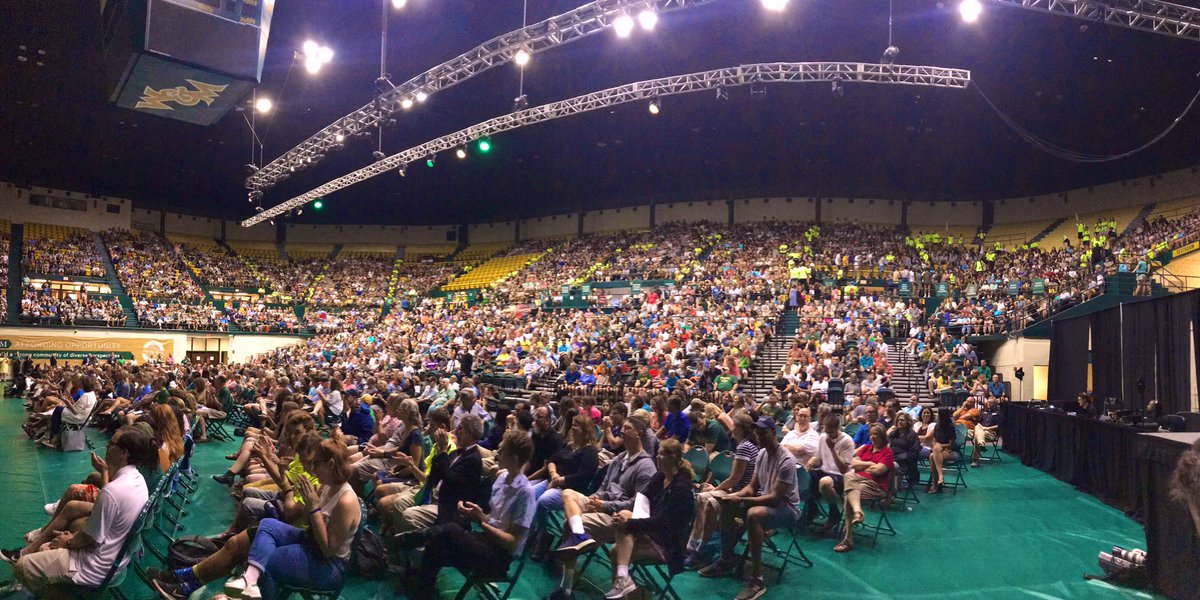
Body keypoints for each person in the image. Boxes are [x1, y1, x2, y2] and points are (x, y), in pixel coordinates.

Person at [152, 434, 361, 600]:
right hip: (309, 540)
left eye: (317, 464)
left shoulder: (346, 501)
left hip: (326, 564)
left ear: (331, 464)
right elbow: (307, 518)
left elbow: (327, 550)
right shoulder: (326, 484)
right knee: (250, 534)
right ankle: (187, 580)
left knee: (270, 560)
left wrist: (312, 507)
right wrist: (308, 503)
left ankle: (249, 589)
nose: (312, 468)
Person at [7, 426, 158, 595]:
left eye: (111, 444)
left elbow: (91, 538)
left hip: (94, 566)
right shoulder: (138, 481)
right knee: (70, 517)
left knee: (22, 566)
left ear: (124, 453)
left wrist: (68, 541)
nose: (107, 447)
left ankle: (52, 593)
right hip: (116, 558)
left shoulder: (112, 491)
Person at [394, 429, 535, 600]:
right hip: (485, 542)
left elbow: (512, 543)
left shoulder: (525, 494)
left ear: (514, 459)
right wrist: (480, 514)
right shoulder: (501, 478)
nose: (497, 452)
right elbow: (494, 520)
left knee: (451, 528)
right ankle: (422, 592)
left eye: (502, 450)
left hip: (497, 558)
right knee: (436, 545)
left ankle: (413, 538)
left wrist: (482, 522)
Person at [545, 415, 657, 600]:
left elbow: (637, 505)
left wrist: (604, 505)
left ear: (639, 434)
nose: (621, 431)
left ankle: (566, 589)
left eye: (627, 428)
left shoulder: (646, 466)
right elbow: (604, 487)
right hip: (603, 506)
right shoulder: (619, 458)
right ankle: (580, 536)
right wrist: (596, 498)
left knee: (568, 525)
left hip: (620, 517)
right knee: (568, 494)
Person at [698, 417, 800, 600]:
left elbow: (776, 498)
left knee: (753, 514)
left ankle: (757, 580)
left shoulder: (786, 460)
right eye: (757, 432)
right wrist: (733, 497)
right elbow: (752, 487)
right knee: (726, 506)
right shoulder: (761, 454)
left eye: (763, 432)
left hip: (786, 508)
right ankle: (726, 559)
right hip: (763, 499)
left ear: (773, 432)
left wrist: (745, 500)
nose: (759, 435)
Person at [603, 438, 696, 600]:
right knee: (624, 518)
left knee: (616, 551)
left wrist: (633, 523)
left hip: (668, 543)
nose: (657, 457)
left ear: (673, 457)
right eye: (658, 453)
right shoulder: (659, 477)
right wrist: (628, 517)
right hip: (652, 530)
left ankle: (631, 589)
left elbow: (664, 522)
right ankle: (627, 585)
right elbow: (642, 499)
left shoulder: (682, 488)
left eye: (661, 454)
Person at [683, 413, 758, 570]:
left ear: (740, 429)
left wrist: (716, 488)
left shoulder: (745, 447)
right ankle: (693, 544)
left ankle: (701, 548)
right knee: (701, 498)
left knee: (709, 501)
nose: (731, 429)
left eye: (734, 426)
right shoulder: (742, 445)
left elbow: (734, 479)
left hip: (740, 493)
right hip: (735, 489)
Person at [834, 424, 894, 553]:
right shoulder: (866, 448)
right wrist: (870, 464)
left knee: (849, 491)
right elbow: (853, 463)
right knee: (850, 478)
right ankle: (857, 513)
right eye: (871, 434)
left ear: (883, 437)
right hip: (857, 481)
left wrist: (863, 466)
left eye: (876, 434)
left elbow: (878, 471)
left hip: (876, 486)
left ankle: (848, 538)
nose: (873, 437)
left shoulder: (887, 452)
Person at [800, 412, 854, 530]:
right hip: (824, 470)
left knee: (824, 483)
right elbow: (819, 458)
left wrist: (832, 449)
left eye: (831, 432)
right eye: (826, 431)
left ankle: (834, 513)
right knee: (803, 477)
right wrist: (812, 461)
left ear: (837, 428)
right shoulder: (823, 437)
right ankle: (812, 508)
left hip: (841, 475)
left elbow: (844, 469)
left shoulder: (847, 441)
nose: (828, 435)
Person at [926, 407, 957, 494]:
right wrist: (937, 446)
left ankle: (936, 483)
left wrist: (940, 446)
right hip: (938, 451)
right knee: (933, 454)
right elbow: (934, 441)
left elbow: (952, 445)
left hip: (950, 451)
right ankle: (940, 479)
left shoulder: (951, 427)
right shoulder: (937, 426)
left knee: (933, 455)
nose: (937, 415)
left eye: (938, 414)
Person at [971, 397, 1001, 467]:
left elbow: (998, 426)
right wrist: (982, 428)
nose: (989, 404)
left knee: (976, 436)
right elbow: (978, 423)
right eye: (988, 402)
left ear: (994, 404)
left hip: (991, 433)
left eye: (991, 402)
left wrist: (987, 428)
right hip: (982, 431)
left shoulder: (998, 413)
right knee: (977, 427)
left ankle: (975, 460)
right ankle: (981, 443)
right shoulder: (983, 412)